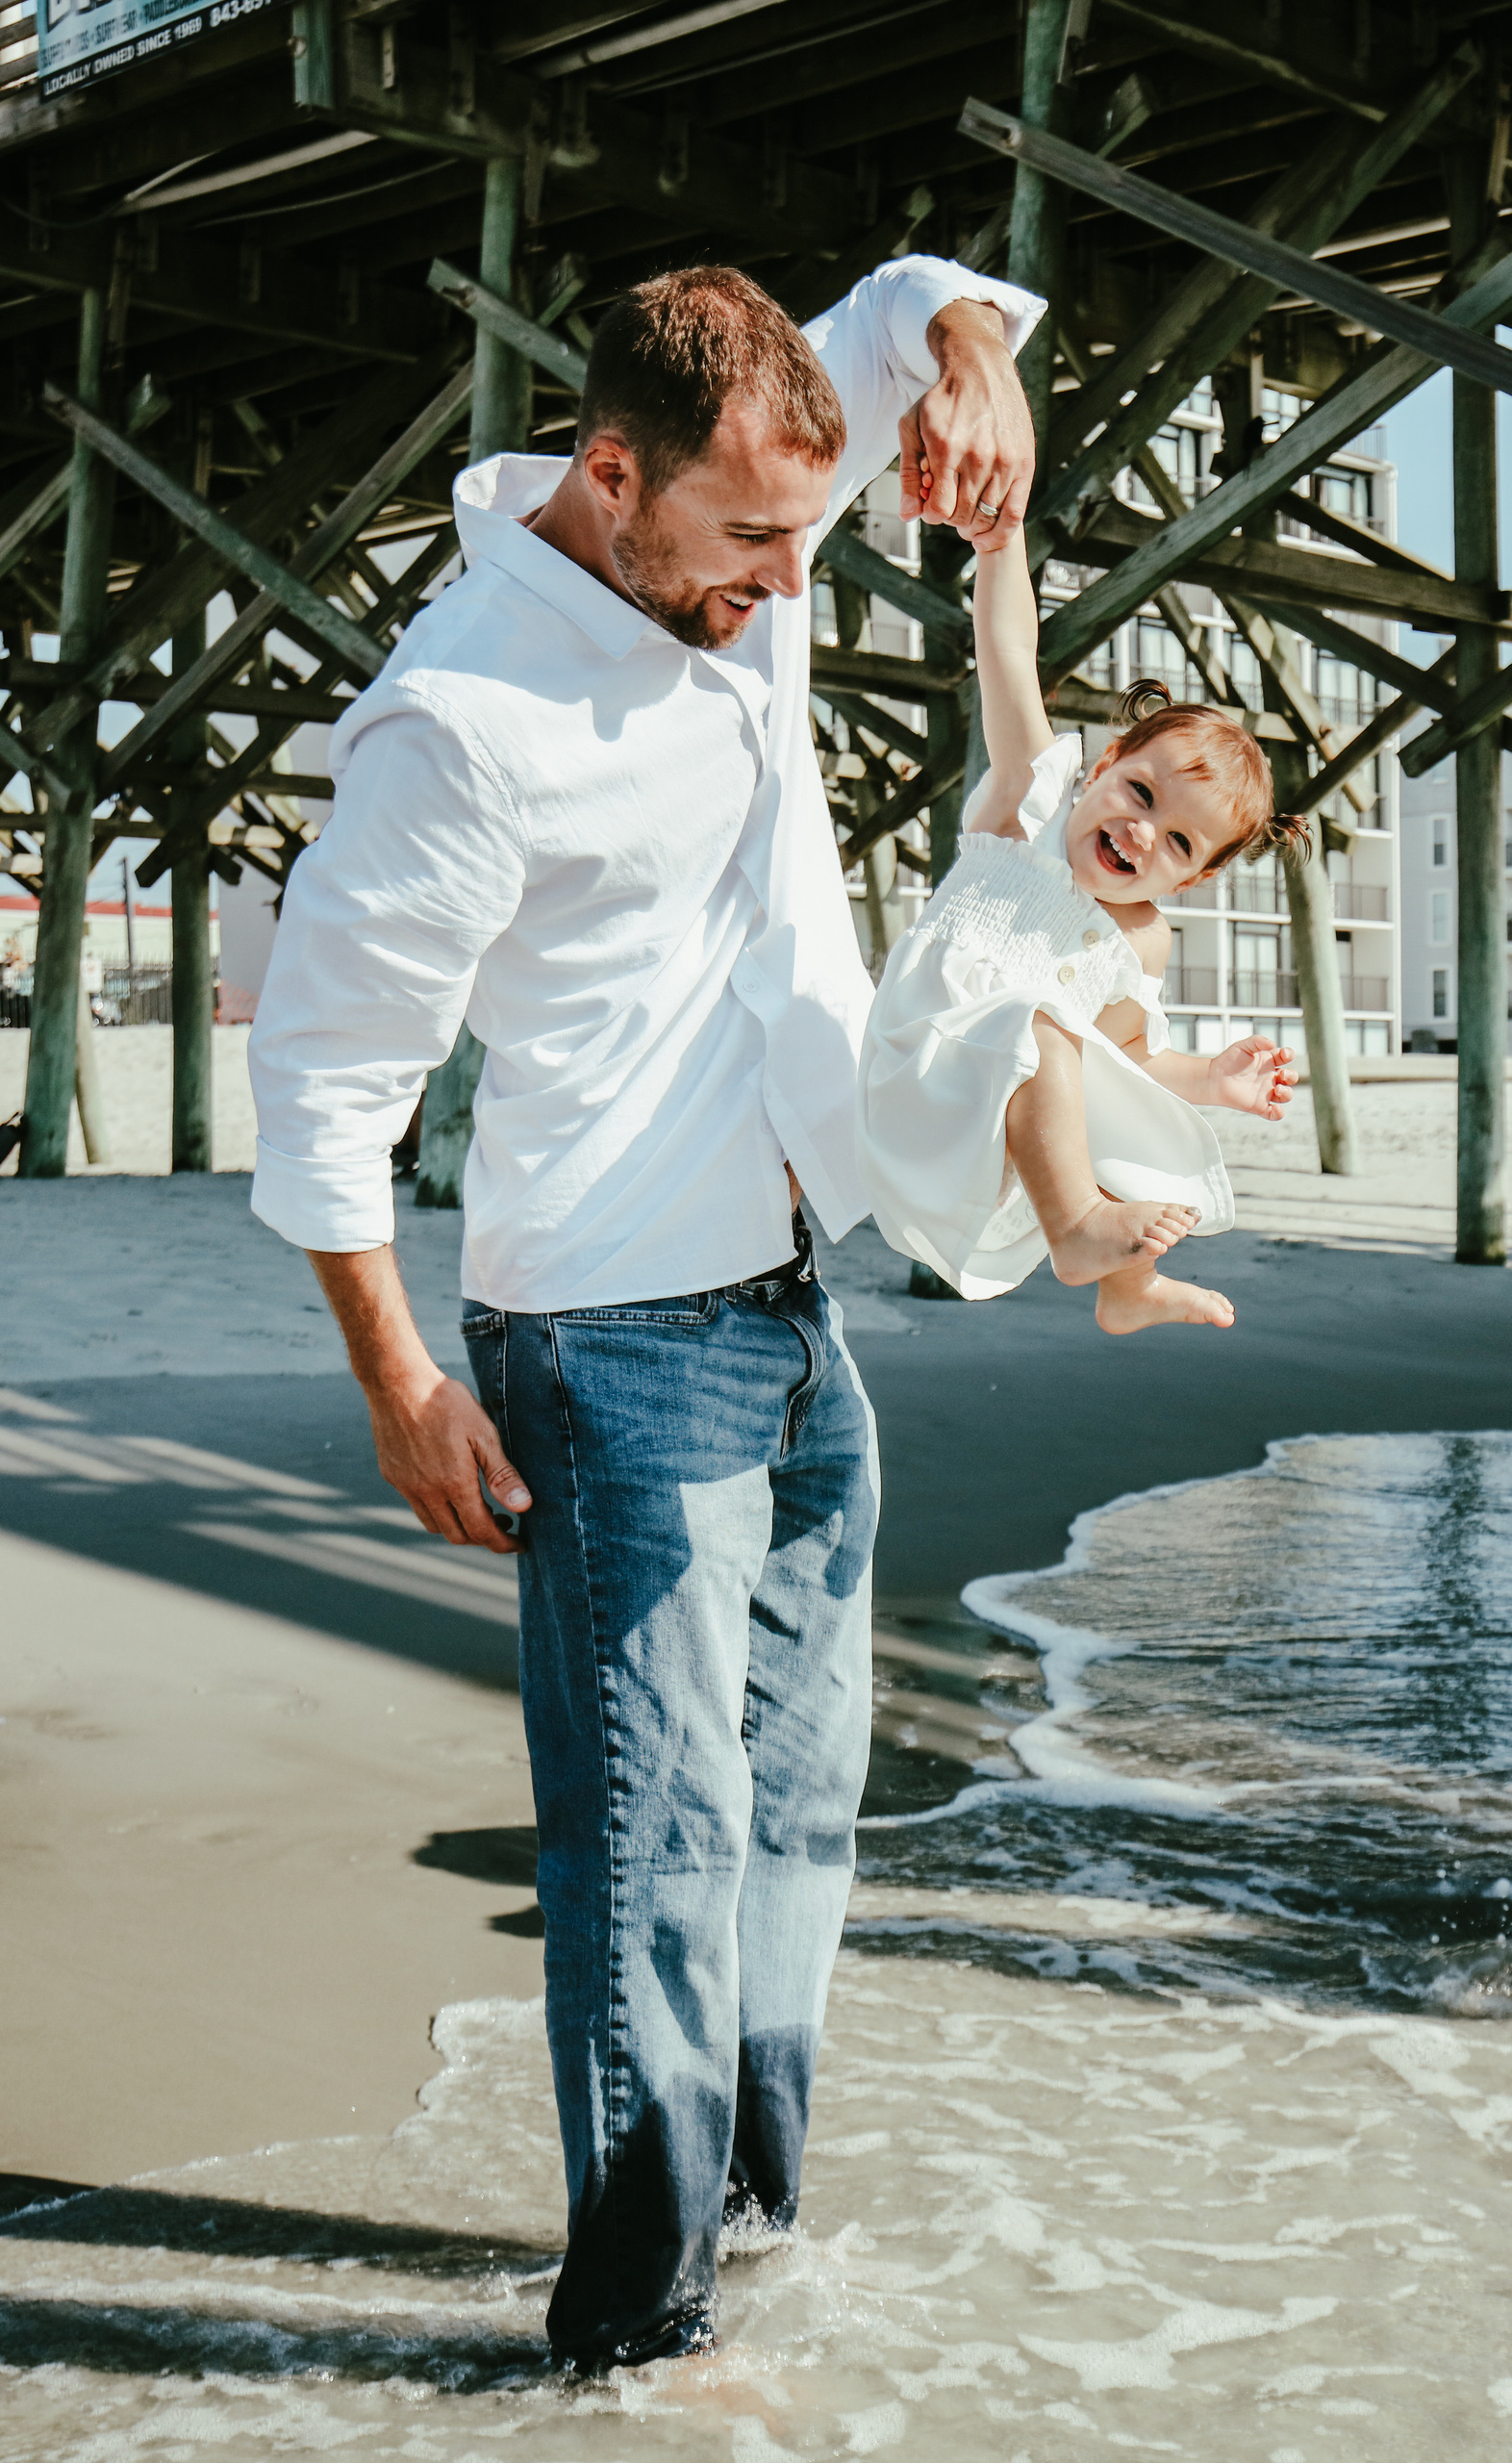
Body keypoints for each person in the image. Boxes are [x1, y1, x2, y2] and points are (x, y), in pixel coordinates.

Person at [247, 256, 1042, 2369]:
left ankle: (758, 2219)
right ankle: (630, 2329)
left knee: (799, 1795)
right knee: (657, 1832)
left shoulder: (741, 499)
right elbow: (328, 1079)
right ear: (610, 479)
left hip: (792, 1301)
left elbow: (902, 306)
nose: (794, 584)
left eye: (808, 527)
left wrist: (973, 367)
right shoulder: (466, 718)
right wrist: (403, 1375)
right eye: (751, 543)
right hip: (607, 1340)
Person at [859, 536, 1303, 1332]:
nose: (1141, 833)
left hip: (991, 1140)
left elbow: (1128, 1060)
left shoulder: (1138, 943)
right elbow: (1007, 653)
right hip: (917, 1073)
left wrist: (1210, 1079)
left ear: (1193, 879)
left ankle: (1127, 1287)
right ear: (1099, 767)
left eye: (1177, 843)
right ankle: (1077, 1229)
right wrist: (1000, 545)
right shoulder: (1024, 808)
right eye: (1139, 792)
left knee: (1087, 1065)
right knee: (1040, 1020)